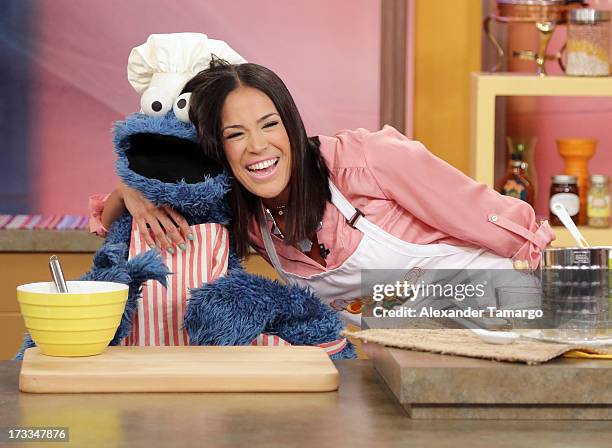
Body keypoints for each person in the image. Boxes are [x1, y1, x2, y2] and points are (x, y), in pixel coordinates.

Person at [91, 59, 555, 326]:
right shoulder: (245, 211)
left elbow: (497, 222)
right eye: (235, 135)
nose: (258, 147)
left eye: (269, 125)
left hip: (504, 306)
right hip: (411, 352)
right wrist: (130, 191)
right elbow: (126, 203)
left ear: (291, 125)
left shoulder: (368, 160)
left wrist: (565, 301)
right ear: (219, 150)